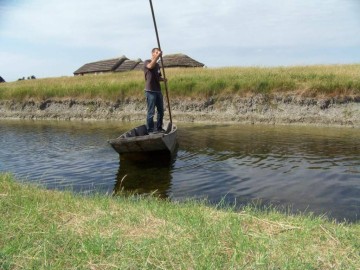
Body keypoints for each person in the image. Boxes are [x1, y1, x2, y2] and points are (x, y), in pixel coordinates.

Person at [143, 48, 167, 133]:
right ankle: (150, 130)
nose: (158, 53)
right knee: (151, 112)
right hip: (150, 91)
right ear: (153, 53)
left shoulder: (157, 65)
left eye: (159, 52)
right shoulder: (147, 62)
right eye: (156, 52)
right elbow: (150, 66)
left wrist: (163, 79)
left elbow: (158, 77)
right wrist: (157, 57)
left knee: (161, 111)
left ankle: (159, 128)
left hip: (158, 91)